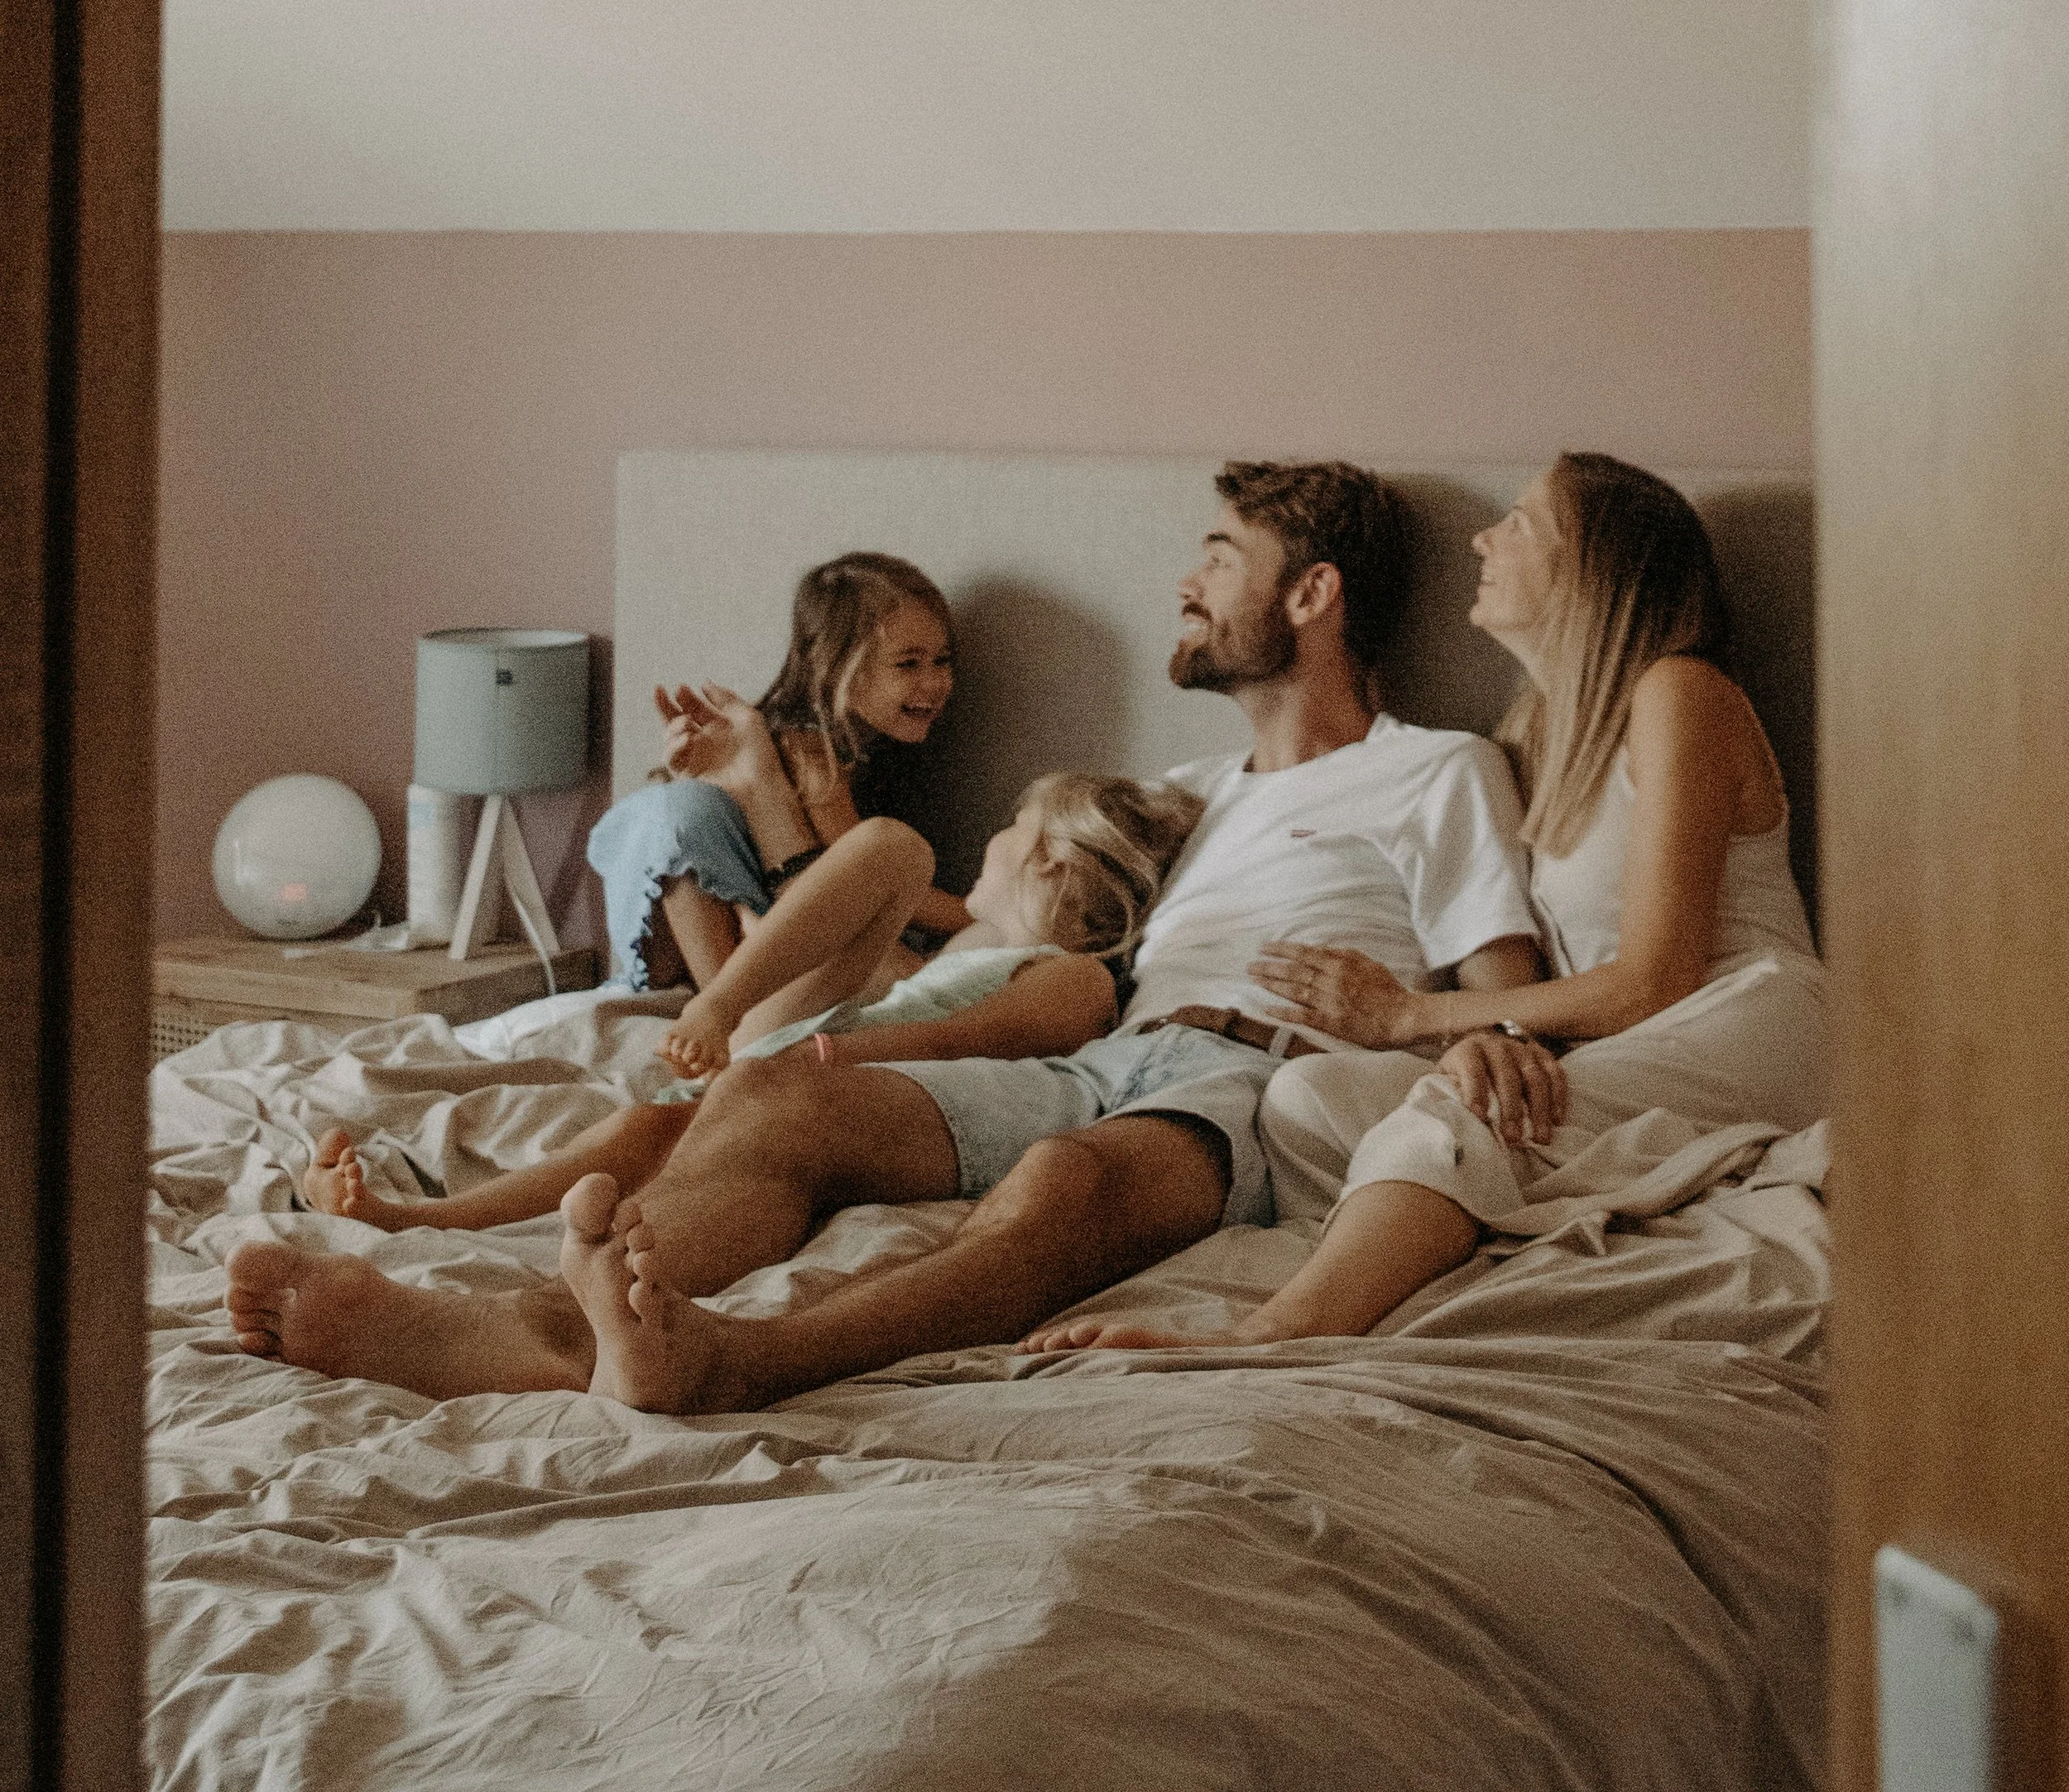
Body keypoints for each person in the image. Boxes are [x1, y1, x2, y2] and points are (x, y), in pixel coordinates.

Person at [226, 459, 1545, 1409]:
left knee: (1063, 1189)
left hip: (1250, 1081)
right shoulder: (1189, 796)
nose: (1187, 584)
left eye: (1218, 557)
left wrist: (1450, 1036)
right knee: (763, 1095)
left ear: (1312, 594)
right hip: (1095, 1049)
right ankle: (534, 1331)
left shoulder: (1439, 771)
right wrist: (760, 792)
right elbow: (995, 922)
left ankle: (739, 1360)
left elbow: (1504, 994)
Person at [1026, 451, 1827, 1357]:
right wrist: (1496, 1044)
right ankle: (1416, 1251)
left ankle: (1269, 1331)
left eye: (1518, 523)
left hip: (1744, 1017)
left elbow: (1656, 977)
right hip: (1627, 1037)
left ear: (1592, 564)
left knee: (1454, 1107)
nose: (1485, 538)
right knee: (1306, 1099)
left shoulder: (1679, 693)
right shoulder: (1537, 733)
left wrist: (1415, 1016)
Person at [302, 771, 1203, 1235]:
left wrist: (832, 1059)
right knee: (893, 849)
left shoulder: (1076, 977)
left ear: (1047, 858)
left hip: (834, 1066)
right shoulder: (976, 940)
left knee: (644, 1136)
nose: (992, 844)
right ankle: (716, 1001)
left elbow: (973, 1038)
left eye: (1011, 831)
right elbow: (854, 926)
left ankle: (410, 1221)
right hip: (815, 1031)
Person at [585, 551, 969, 992]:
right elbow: (867, 874)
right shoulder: (811, 749)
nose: (936, 682)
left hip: (756, 917)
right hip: (687, 936)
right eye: (908, 664)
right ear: (836, 667)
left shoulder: (872, 747)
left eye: (942, 660)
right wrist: (980, 912)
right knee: (686, 811)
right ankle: (726, 1005)